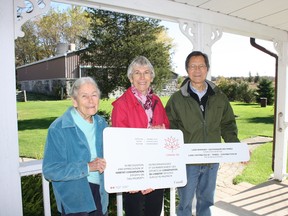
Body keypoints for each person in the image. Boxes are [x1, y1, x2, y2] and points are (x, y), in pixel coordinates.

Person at [165, 51, 240, 216]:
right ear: (187, 69)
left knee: (207, 202)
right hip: (188, 161)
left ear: (207, 69)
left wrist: (237, 149)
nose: (197, 70)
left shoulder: (219, 97)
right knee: (184, 204)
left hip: (212, 160)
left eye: (201, 66)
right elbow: (170, 128)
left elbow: (228, 125)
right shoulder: (177, 99)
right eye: (193, 66)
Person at [111, 56, 170, 216]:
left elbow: (168, 136)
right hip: (134, 175)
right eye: (137, 73)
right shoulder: (121, 105)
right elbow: (119, 144)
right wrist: (131, 178)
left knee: (154, 212)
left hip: (156, 172)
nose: (142, 77)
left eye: (146, 73)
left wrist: (163, 130)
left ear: (151, 77)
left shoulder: (157, 101)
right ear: (131, 78)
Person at [42, 77, 109, 216]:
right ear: (74, 101)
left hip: (101, 194)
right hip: (75, 200)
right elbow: (50, 170)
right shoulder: (58, 128)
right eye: (84, 96)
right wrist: (87, 167)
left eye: (94, 95)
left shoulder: (102, 124)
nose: (91, 100)